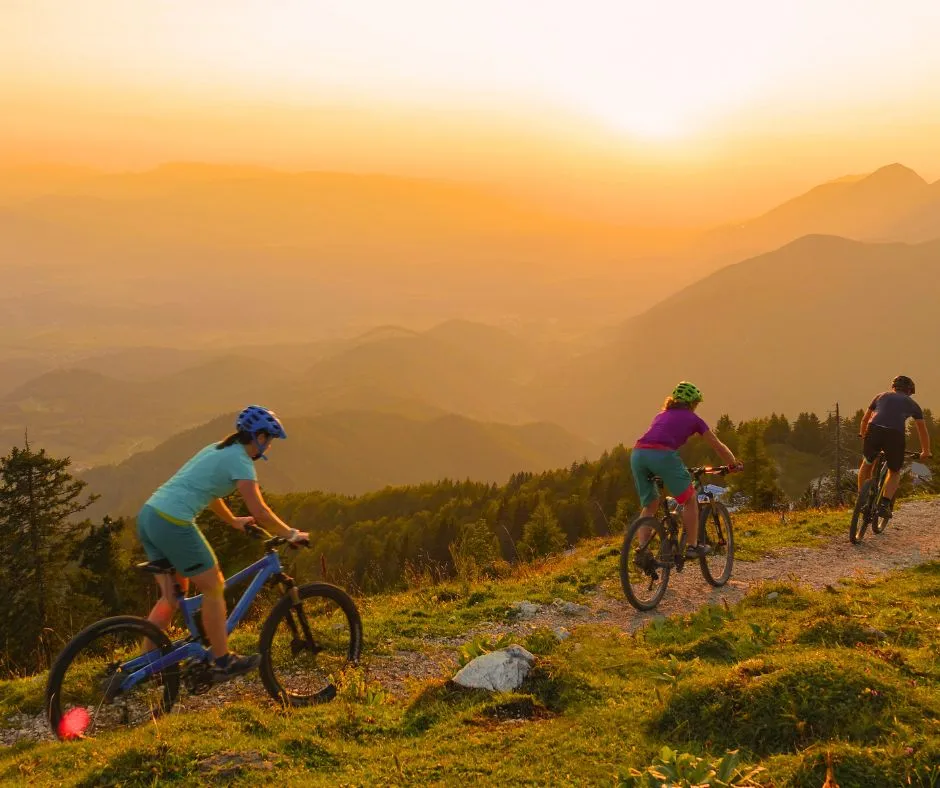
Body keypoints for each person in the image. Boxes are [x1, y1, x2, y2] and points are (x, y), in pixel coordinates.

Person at [136, 405, 308, 680]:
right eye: (270, 439)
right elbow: (260, 511)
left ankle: (144, 667)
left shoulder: (218, 449)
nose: (270, 446)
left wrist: (233, 521)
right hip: (173, 521)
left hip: (150, 516)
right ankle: (222, 660)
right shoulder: (241, 461)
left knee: (171, 598)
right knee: (214, 585)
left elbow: (211, 492)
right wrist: (291, 534)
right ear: (259, 437)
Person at [630, 382, 740, 558]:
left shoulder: (661, 415)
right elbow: (717, 445)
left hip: (637, 455)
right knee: (689, 499)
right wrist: (733, 464)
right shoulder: (694, 419)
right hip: (663, 455)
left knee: (650, 504)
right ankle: (693, 546)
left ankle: (643, 550)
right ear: (692, 403)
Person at [858, 375, 931, 519]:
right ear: (909, 391)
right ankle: (884, 505)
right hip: (894, 435)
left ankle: (861, 499)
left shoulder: (880, 396)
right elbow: (922, 430)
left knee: (867, 463)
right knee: (894, 471)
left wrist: (863, 434)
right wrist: (926, 451)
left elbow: (865, 419)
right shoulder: (913, 404)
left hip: (874, 430)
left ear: (893, 387)